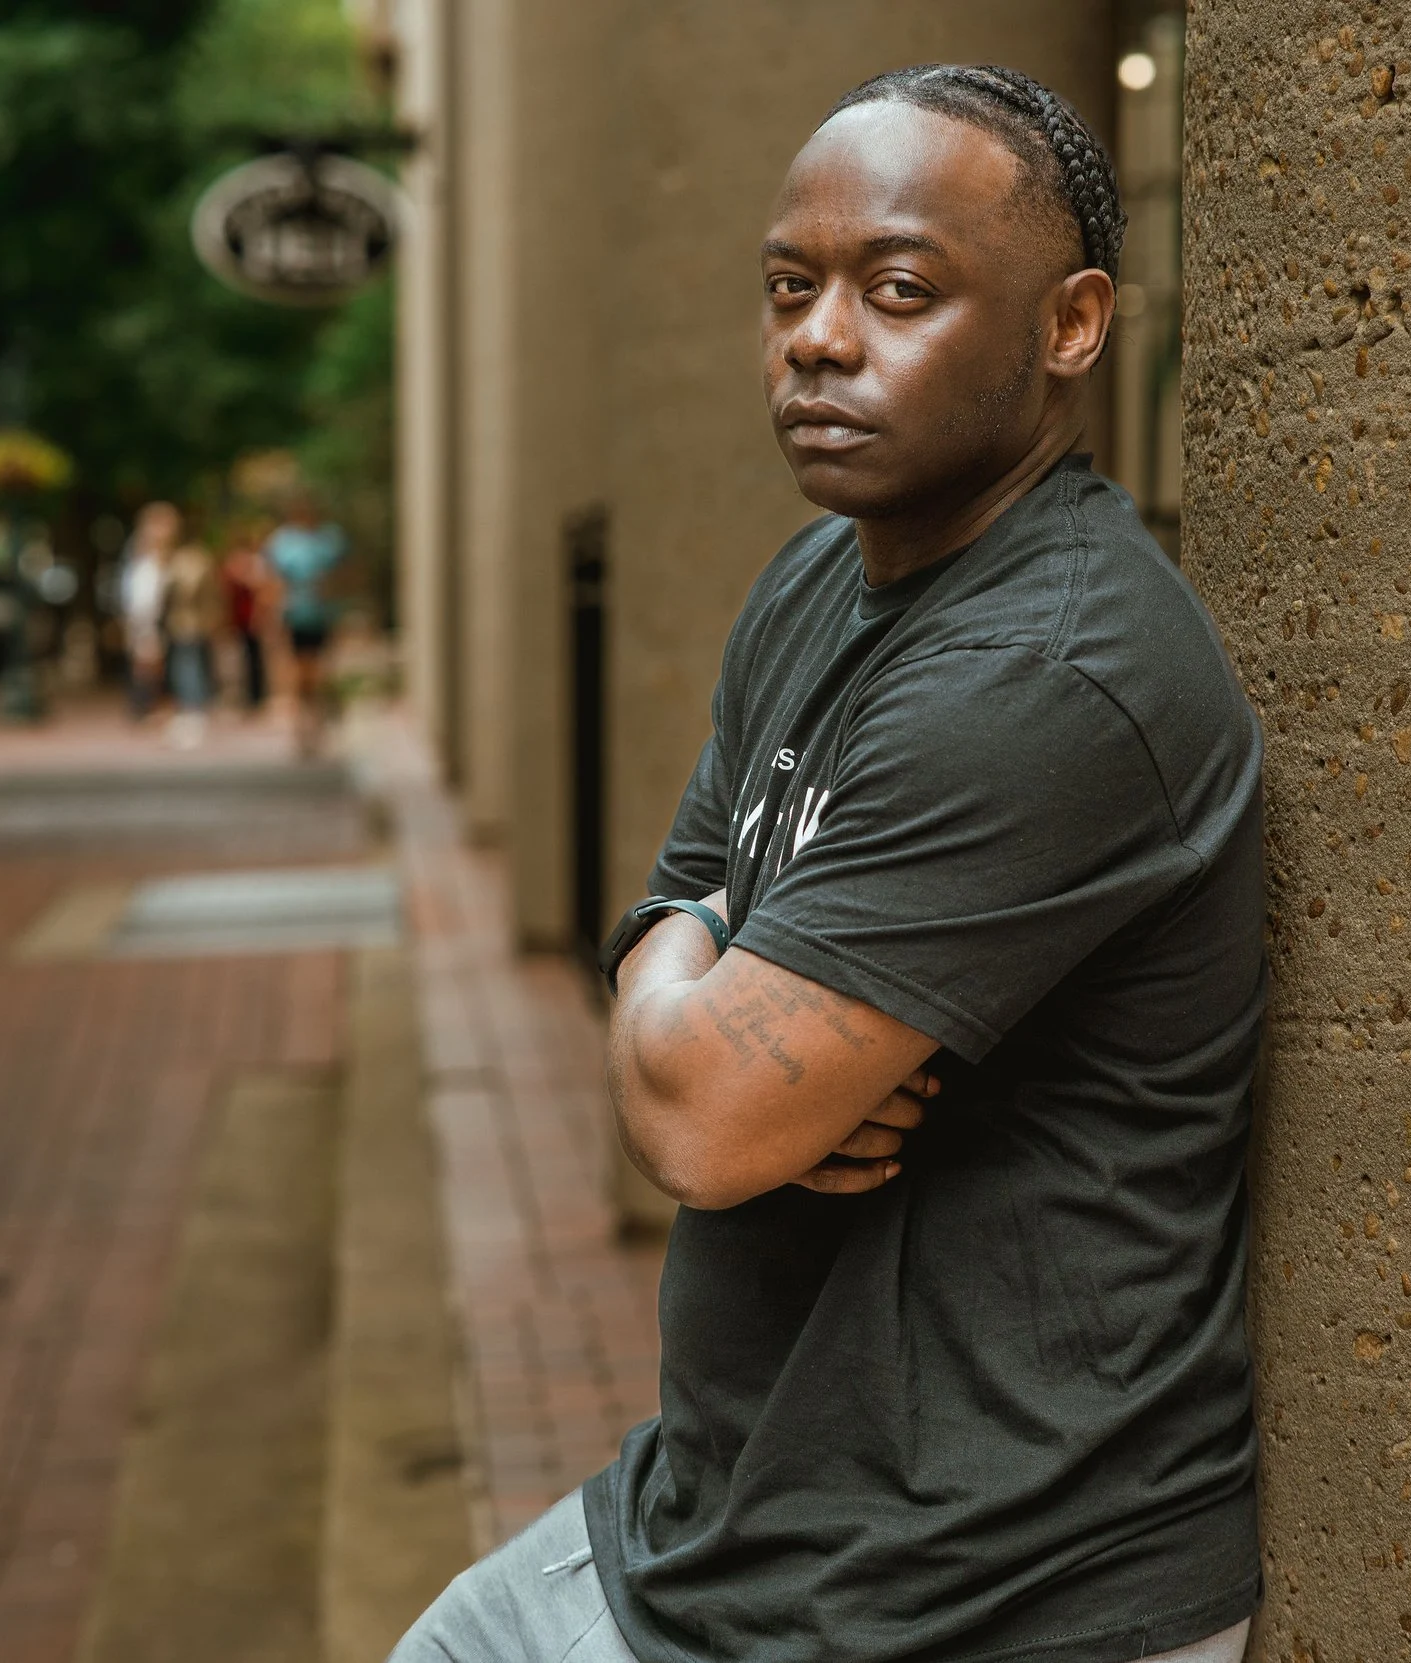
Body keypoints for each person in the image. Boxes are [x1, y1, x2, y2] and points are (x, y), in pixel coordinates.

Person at [390, 65, 1265, 1663]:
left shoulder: (1051, 670)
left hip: (983, 1586)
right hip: (729, 1528)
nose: (818, 337)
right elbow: (674, 910)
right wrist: (693, 952)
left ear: (1072, 326)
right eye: (791, 287)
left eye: (901, 289)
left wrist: (704, 984)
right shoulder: (817, 580)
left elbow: (707, 1116)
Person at [263, 496, 345, 753]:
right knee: (297, 672)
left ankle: (318, 720)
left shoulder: (329, 540)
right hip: (294, 615)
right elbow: (273, 580)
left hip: (321, 614)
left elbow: (342, 574)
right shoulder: (283, 543)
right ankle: (301, 727)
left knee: (319, 670)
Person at [117, 502, 178, 720]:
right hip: (146, 616)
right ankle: (145, 709)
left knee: (153, 662)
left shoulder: (167, 555)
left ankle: (150, 708)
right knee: (147, 662)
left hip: (158, 616)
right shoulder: (140, 554)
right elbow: (137, 590)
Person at [160, 534, 219, 748]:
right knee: (183, 670)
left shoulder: (187, 565)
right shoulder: (181, 563)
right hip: (182, 627)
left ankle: (193, 716)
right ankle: (188, 715)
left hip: (190, 628)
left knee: (188, 671)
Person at [220, 524, 277, 711]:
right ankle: (243, 695)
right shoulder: (235, 562)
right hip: (238, 618)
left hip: (251, 617)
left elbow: (262, 590)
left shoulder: (256, 563)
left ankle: (257, 696)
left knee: (255, 657)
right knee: (238, 658)